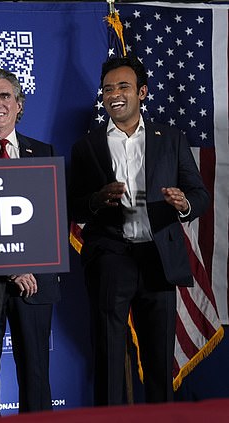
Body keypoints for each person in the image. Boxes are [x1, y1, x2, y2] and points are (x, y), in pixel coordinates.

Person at [67, 56, 209, 406]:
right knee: (109, 355)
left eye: (123, 86)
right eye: (108, 89)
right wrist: (98, 200)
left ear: (142, 92)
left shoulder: (171, 139)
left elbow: (199, 194)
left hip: (159, 257)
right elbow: (73, 206)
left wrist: (183, 204)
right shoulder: (87, 146)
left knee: (159, 359)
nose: (114, 94)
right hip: (111, 256)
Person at [0, 68, 60, 413]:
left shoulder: (43, 152)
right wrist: (9, 267)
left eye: (5, 96)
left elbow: (49, 219)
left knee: (37, 376)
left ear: (19, 105)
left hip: (36, 282)